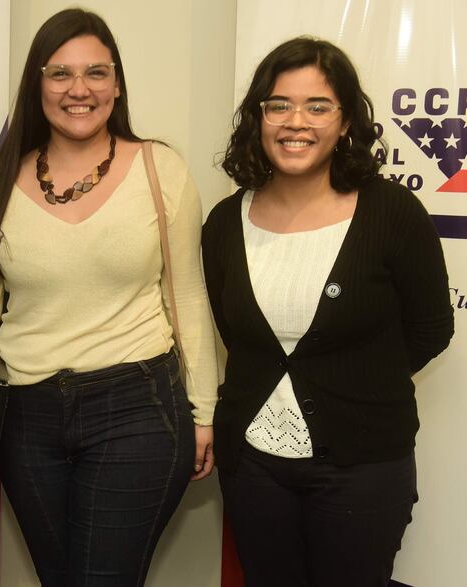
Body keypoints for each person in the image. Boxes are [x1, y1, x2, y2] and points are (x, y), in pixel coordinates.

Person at [0, 8, 217, 586]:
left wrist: (204, 411)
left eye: (96, 72)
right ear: (37, 84)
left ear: (117, 84)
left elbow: (188, 298)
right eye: (60, 73)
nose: (79, 89)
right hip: (26, 420)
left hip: (136, 408)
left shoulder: (160, 169)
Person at [202, 37, 454, 587]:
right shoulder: (224, 223)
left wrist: (356, 380)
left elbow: (432, 327)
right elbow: (236, 335)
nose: (296, 122)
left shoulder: (391, 212)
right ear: (259, 117)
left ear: (345, 123)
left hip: (363, 466)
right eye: (279, 105)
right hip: (254, 467)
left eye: (318, 106)